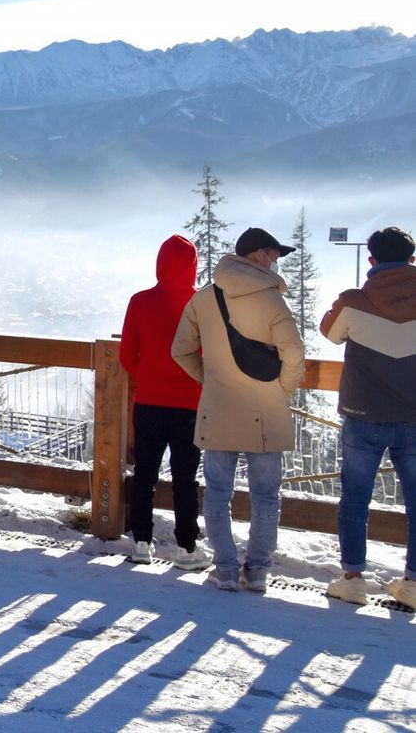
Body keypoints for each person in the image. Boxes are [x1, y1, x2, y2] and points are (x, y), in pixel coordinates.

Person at [172, 226, 306, 593]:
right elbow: (293, 352)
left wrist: (211, 379)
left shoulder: (204, 299)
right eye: (274, 254)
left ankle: (226, 569)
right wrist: (283, 388)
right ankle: (257, 571)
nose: (277, 261)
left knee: (218, 492)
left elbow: (180, 350)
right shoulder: (272, 300)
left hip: (219, 407)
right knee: (265, 496)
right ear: (259, 256)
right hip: (266, 408)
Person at [319, 226, 416, 608]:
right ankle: (412, 583)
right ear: (411, 259)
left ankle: (354, 579)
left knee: (356, 499)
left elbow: (330, 333)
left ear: (371, 261)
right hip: (414, 416)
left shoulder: (354, 301)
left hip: (363, 414)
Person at [120, 234, 211, 569]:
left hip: (149, 401)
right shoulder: (200, 305)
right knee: (185, 477)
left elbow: (127, 354)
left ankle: (142, 543)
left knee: (145, 473)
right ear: (193, 266)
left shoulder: (140, 302)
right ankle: (187, 548)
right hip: (189, 403)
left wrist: (146, 377)